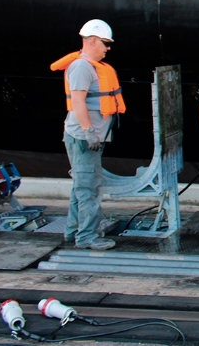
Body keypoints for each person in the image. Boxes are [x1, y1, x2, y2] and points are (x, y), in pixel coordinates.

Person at [50, 19, 125, 250]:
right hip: (84, 139)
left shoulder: (91, 66)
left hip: (88, 138)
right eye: (105, 43)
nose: (107, 48)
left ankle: (73, 232)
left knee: (81, 186)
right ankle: (87, 237)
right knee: (89, 188)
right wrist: (89, 132)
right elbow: (78, 102)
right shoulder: (82, 67)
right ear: (92, 41)